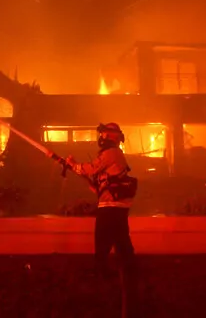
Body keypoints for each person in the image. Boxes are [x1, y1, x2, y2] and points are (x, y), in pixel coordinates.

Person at [48, 122, 139, 318]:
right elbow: (98, 179)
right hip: (115, 206)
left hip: (110, 207)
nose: (102, 137)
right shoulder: (112, 155)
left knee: (103, 240)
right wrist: (75, 168)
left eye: (105, 134)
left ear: (112, 136)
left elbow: (89, 169)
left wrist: (73, 165)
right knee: (122, 241)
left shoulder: (111, 153)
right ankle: (129, 275)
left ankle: (103, 278)